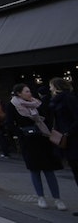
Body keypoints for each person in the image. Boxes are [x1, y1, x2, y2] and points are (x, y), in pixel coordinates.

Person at [6, 83, 66, 210]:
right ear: (19, 93)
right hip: (28, 142)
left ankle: (57, 199)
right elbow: (9, 124)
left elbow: (48, 118)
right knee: (35, 170)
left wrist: (46, 129)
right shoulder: (13, 105)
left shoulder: (37, 103)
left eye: (29, 91)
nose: (30, 93)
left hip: (43, 139)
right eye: (26, 91)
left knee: (49, 170)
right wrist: (21, 132)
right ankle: (41, 197)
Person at [49, 76, 78, 213]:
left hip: (73, 138)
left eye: (51, 86)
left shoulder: (68, 98)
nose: (50, 88)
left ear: (56, 87)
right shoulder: (56, 101)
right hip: (66, 138)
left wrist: (68, 132)